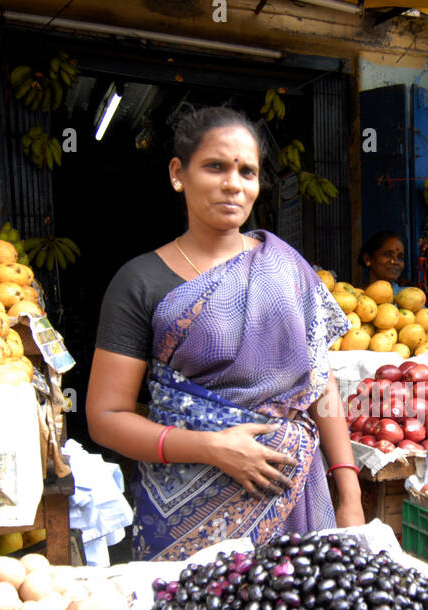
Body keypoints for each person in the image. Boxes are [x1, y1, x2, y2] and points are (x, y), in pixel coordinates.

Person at [86, 106, 363, 561]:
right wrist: (212, 448)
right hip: (186, 504)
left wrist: (348, 494)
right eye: (215, 166)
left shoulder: (285, 268)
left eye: (247, 171)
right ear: (179, 174)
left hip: (291, 491)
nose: (233, 183)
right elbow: (106, 416)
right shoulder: (139, 281)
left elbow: (320, 384)